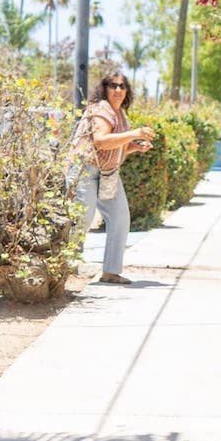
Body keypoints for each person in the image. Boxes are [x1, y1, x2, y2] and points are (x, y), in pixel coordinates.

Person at [72, 73, 155, 285]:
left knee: (120, 218)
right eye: (113, 86)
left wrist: (135, 147)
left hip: (108, 174)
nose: (118, 90)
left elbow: (117, 147)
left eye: (122, 86)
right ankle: (65, 265)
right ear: (105, 88)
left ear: (127, 91)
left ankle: (111, 272)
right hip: (85, 170)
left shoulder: (120, 114)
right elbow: (100, 141)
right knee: (83, 217)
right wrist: (134, 134)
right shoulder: (101, 109)